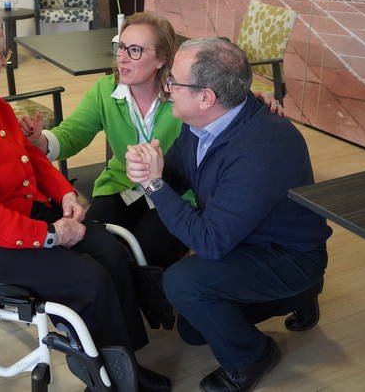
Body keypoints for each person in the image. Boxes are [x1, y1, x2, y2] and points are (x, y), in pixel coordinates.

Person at [0, 0, 170, 391]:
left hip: (12, 213)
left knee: (108, 248)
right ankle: (107, 380)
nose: (5, 61)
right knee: (87, 279)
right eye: (1, 53)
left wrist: (64, 193)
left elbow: (27, 155)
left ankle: (125, 363)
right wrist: (51, 235)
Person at [125, 38, 332, 392]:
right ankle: (297, 296)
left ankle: (253, 356)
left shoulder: (262, 148)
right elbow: (177, 171)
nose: (167, 88)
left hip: (287, 255)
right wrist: (149, 168)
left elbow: (209, 241)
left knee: (182, 284)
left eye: (173, 81)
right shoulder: (204, 121)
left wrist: (155, 185)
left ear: (206, 97)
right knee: (192, 330)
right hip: (244, 237)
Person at [22, 12, 284, 268]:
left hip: (176, 190)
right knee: (95, 247)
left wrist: (254, 100)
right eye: (120, 47)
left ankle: (147, 292)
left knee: (146, 254)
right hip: (120, 184)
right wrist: (40, 141)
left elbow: (220, 96)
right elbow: (71, 134)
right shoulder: (105, 90)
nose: (122, 58)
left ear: (161, 59)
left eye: (135, 50)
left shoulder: (185, 94)